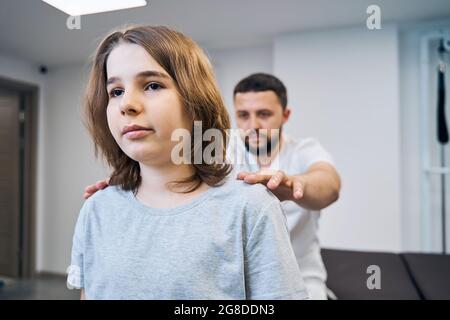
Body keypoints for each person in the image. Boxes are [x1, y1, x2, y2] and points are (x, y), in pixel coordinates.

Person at [67, 25, 309, 300]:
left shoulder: (250, 206)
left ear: (194, 100)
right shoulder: (96, 209)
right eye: (116, 91)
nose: (127, 104)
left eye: (152, 85)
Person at [231, 73, 341, 299]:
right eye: (243, 115)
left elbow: (329, 185)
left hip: (300, 277)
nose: (253, 125)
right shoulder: (225, 152)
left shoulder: (304, 150)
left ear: (285, 115)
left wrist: (295, 186)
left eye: (264, 114)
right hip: (236, 280)